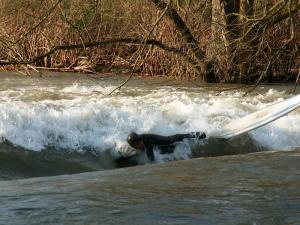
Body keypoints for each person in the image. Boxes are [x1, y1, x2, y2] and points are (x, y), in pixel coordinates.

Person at [126, 131, 206, 161]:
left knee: (172, 139)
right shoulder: (135, 141)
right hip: (157, 145)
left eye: (139, 143)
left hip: (164, 141)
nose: (139, 144)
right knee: (166, 149)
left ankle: (195, 135)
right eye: (136, 144)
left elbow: (151, 158)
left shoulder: (146, 141)